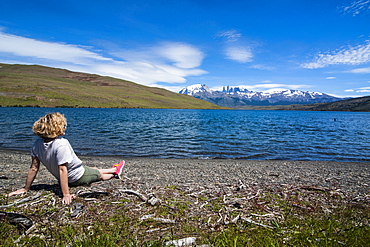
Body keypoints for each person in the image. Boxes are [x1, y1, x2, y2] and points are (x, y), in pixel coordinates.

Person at [8, 112, 125, 205]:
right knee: (100, 175)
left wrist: (26, 188)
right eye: (63, 125)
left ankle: (112, 168)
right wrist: (66, 194)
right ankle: (115, 172)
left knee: (92, 168)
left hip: (74, 172)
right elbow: (62, 169)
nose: (65, 127)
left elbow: (34, 168)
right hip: (76, 177)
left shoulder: (36, 144)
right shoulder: (61, 144)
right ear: (56, 128)